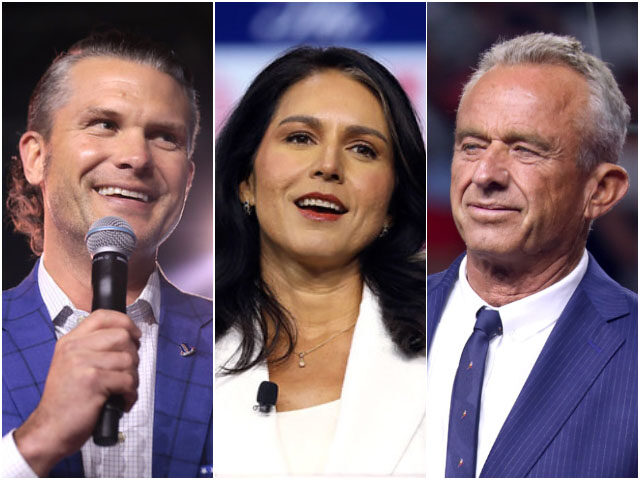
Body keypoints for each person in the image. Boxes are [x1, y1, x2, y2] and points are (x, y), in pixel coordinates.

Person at [1, 31, 212, 477]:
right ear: (36, 158)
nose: (135, 156)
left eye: (164, 137)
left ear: (188, 178)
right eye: (104, 124)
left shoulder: (240, 342)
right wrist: (37, 440)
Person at [427, 32, 637, 478]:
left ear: (600, 190)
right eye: (472, 145)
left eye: (525, 149)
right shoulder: (369, 321)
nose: (485, 174)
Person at [215, 46, 426, 476]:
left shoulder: (452, 341)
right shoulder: (183, 342)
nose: (328, 166)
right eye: (300, 138)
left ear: (391, 204)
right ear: (245, 182)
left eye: (363, 149)